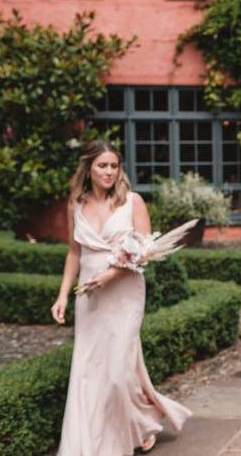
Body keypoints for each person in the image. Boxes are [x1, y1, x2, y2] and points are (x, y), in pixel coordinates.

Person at [51, 140, 191, 455]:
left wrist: (112, 274)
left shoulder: (132, 202)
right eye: (102, 165)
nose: (109, 172)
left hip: (124, 294)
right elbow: (74, 252)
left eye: (114, 165)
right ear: (88, 168)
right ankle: (98, 435)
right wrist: (62, 296)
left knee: (118, 371)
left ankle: (143, 420)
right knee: (89, 370)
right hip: (89, 298)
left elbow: (144, 251)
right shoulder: (76, 203)